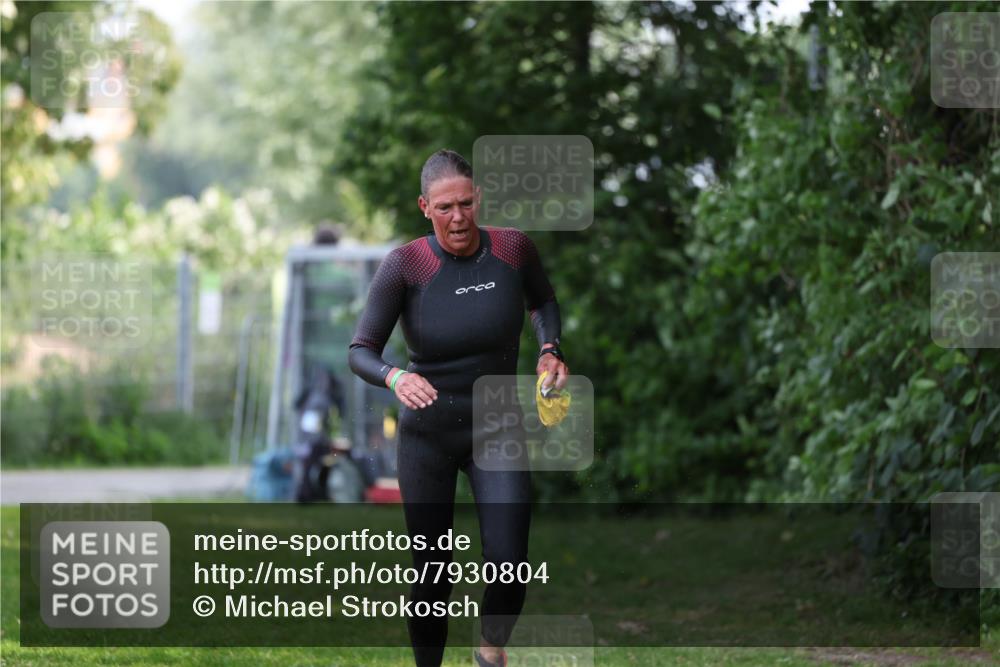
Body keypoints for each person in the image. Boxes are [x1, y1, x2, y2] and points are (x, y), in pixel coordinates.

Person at [348, 149, 569, 667]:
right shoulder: (406, 265)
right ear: (425, 206)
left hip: (498, 426)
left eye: (466, 203)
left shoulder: (513, 249)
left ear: (479, 198)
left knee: (511, 563)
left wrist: (549, 348)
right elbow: (360, 351)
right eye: (445, 207)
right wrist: (395, 376)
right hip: (428, 434)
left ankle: (489, 651)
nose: (458, 217)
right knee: (431, 569)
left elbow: (544, 302)